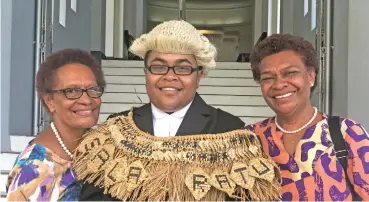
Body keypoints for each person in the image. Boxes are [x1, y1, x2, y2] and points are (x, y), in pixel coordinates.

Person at [74, 20, 281, 201]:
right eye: (159, 66)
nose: (170, 76)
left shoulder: (231, 130)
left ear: (198, 77)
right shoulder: (116, 130)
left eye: (182, 68)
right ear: (146, 72)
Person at [246, 33, 369, 200]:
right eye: (268, 78)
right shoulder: (250, 140)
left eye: (290, 73)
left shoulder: (347, 133)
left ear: (311, 76)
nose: (279, 84)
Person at [6, 49, 106, 201]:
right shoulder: (33, 171)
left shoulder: (102, 145)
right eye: (71, 91)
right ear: (49, 101)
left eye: (92, 89)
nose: (86, 100)